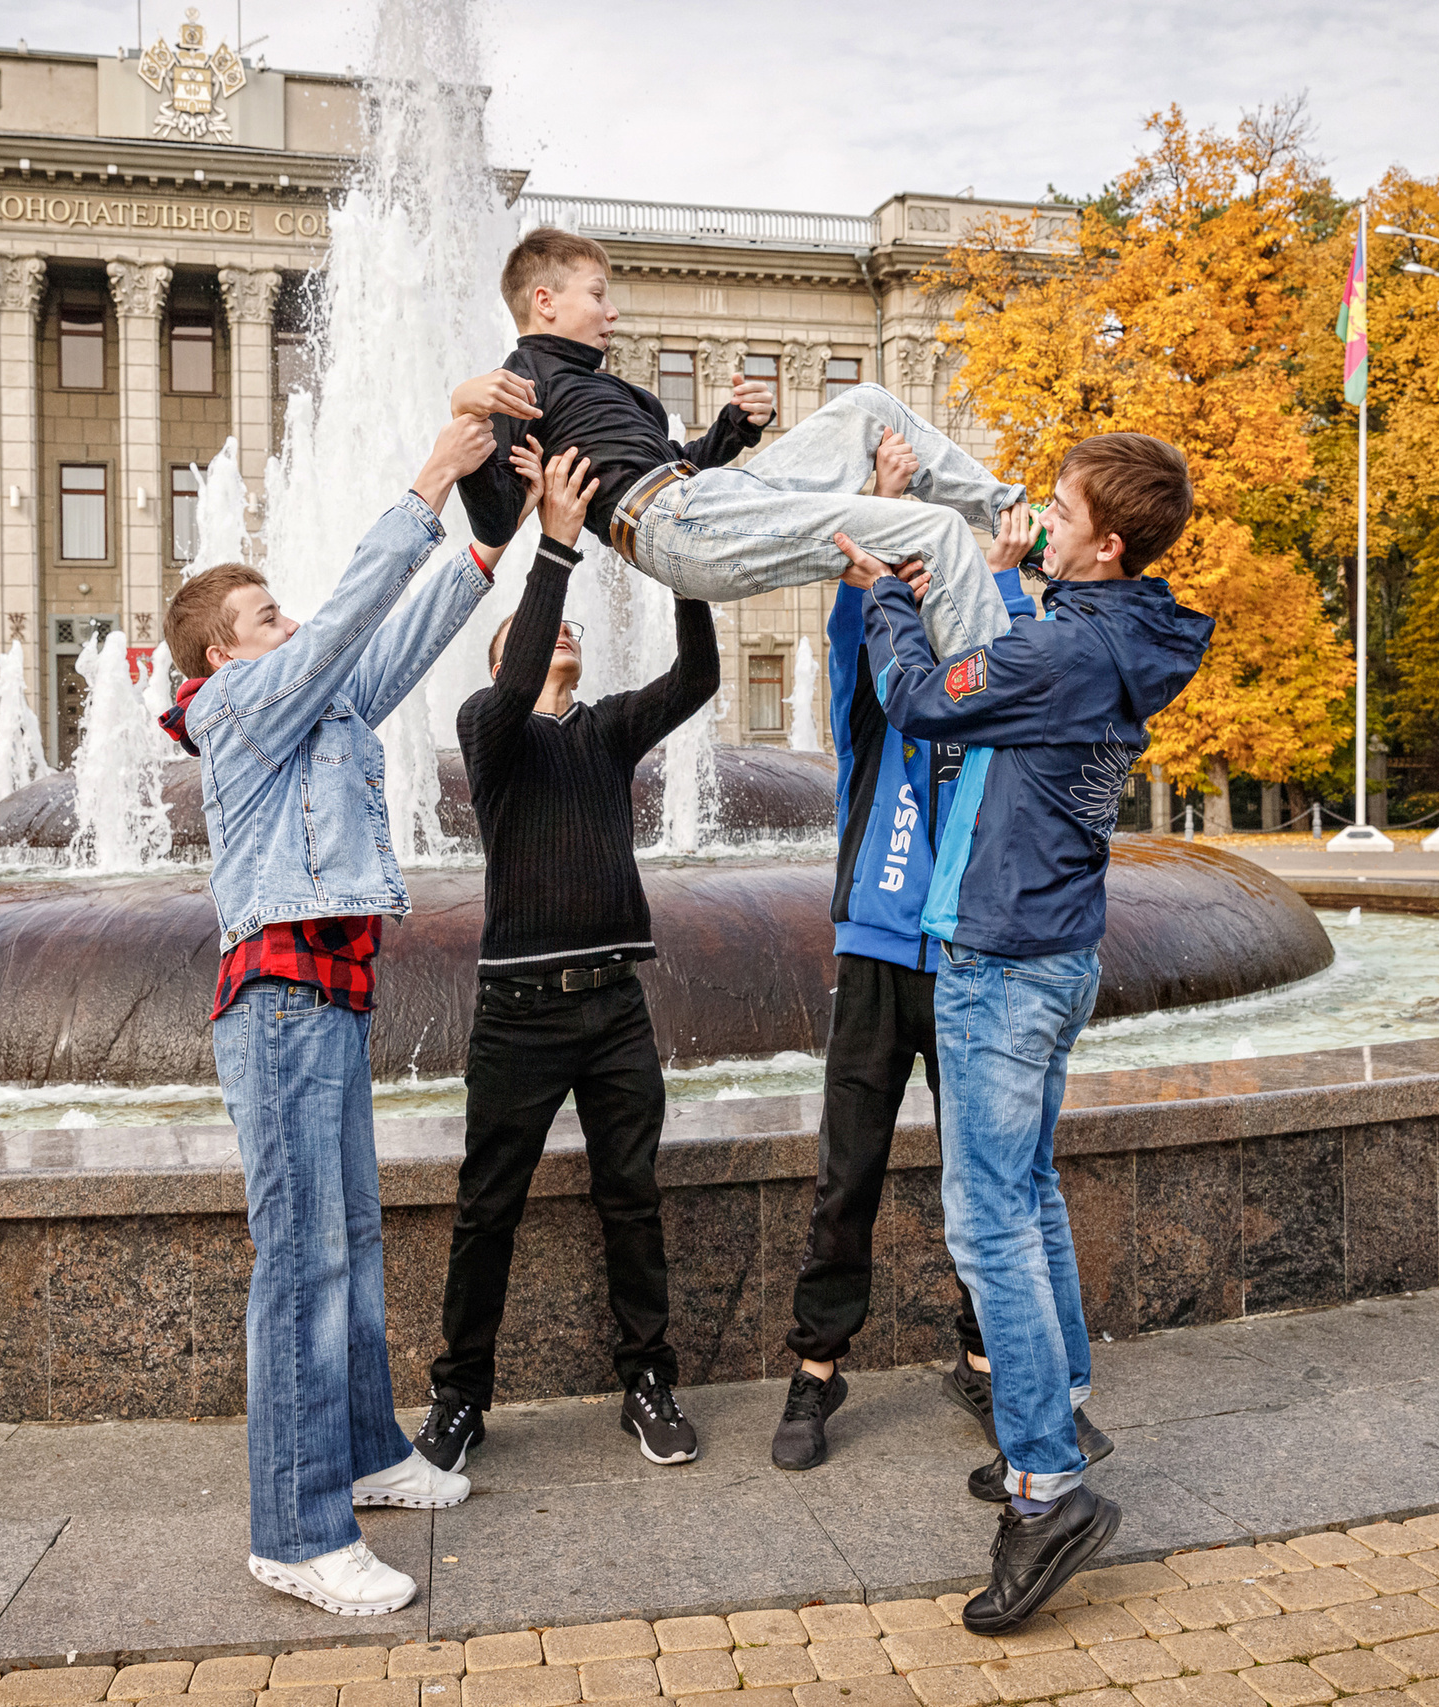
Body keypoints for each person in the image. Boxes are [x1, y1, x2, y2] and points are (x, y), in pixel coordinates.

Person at [851, 431, 1214, 1634]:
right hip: (1053, 950)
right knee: (1031, 1196)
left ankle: (1046, 1486)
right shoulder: (1114, 638)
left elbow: (917, 703)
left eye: (1058, 512)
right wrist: (996, 588)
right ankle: (1056, 1416)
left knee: (986, 1220)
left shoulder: (1066, 648)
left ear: (1106, 542)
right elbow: (1005, 678)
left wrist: (887, 602)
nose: (1038, 519)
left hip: (1002, 958)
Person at [156, 407, 502, 1619]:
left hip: (326, 1000)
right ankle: (297, 1533)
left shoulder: (307, 705)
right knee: (300, 1263)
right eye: (267, 620)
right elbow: (353, 618)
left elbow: (388, 647)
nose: (290, 627)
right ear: (220, 657)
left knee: (348, 1240)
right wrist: (423, 484)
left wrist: (488, 545)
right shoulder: (233, 710)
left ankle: (362, 1452)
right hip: (280, 1002)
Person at [772, 431, 1112, 1484]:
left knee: (992, 1182)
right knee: (849, 1174)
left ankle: (987, 1363)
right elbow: (854, 626)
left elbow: (1021, 665)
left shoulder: (996, 694)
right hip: (878, 954)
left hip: (977, 955)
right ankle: (817, 1368)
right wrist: (874, 518)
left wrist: (1005, 583)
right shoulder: (879, 709)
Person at [414, 444, 718, 1474]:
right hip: (519, 1015)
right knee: (485, 1206)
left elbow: (701, 675)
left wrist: (688, 574)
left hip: (613, 1007)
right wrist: (551, 551)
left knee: (629, 1198)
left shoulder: (607, 732)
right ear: (506, 656)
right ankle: (460, 1400)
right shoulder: (490, 734)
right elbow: (518, 659)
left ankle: (648, 1381)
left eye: (569, 631)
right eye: (543, 636)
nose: (563, 640)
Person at [451, 228, 1025, 660]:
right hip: (668, 522)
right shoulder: (519, 381)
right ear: (545, 301)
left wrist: (735, 425)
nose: (613, 310)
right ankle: (997, 704)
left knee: (869, 405)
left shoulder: (621, 395)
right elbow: (496, 520)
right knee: (937, 532)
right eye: (599, 295)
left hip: (702, 497)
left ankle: (1008, 512)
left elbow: (684, 464)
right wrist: (468, 413)